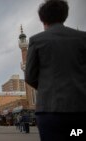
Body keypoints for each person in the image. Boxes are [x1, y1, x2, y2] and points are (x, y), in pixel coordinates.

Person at [25, 0, 86, 140]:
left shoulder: (36, 40)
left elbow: (29, 76)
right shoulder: (82, 38)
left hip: (49, 113)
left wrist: (47, 87)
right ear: (65, 15)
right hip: (80, 111)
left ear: (43, 19)